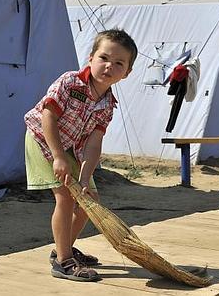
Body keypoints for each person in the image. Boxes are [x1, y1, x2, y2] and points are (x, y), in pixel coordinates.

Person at [24, 29, 137, 282]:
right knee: (64, 197)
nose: (109, 66)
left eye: (119, 63)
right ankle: (64, 262)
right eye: (104, 58)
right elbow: (48, 116)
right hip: (43, 139)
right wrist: (58, 157)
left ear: (127, 73)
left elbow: (94, 144)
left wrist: (85, 178)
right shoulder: (70, 82)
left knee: (89, 201)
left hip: (71, 148)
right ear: (90, 58)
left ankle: (62, 248)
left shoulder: (108, 105)